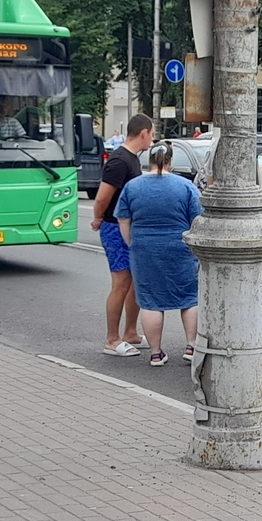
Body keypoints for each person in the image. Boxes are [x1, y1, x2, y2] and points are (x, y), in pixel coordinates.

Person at [115, 141, 204, 366]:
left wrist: (132, 243)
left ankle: (155, 353)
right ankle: (192, 346)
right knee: (189, 297)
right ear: (171, 161)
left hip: (145, 250)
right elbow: (197, 220)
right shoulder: (185, 187)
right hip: (180, 249)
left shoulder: (132, 187)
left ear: (149, 161)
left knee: (151, 301)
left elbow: (123, 219)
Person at [91, 113, 154, 356]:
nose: (152, 139)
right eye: (152, 133)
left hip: (127, 227)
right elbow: (103, 197)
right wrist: (97, 217)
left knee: (133, 281)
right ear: (144, 133)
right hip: (114, 227)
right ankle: (112, 339)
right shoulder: (119, 161)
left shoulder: (132, 159)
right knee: (121, 283)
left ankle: (130, 332)